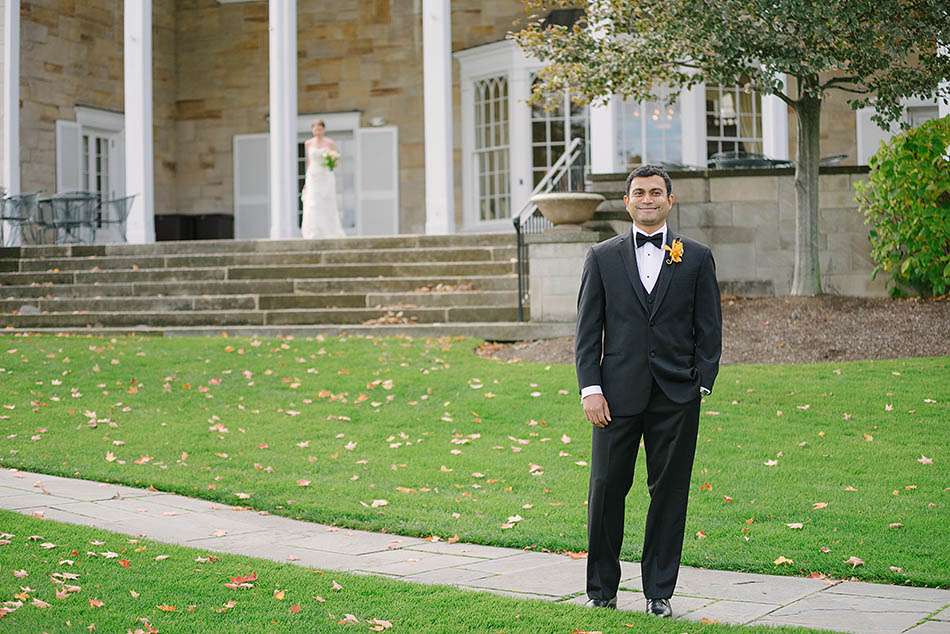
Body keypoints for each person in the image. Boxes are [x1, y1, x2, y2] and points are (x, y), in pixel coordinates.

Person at [574, 164, 722, 617]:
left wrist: (701, 384)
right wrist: (590, 389)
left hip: (676, 397)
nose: (648, 199)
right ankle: (601, 590)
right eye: (639, 192)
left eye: (656, 192)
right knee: (604, 489)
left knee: (670, 494)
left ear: (670, 201)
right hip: (614, 397)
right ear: (627, 201)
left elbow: (709, 328)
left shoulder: (695, 257)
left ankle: (659, 592)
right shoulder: (601, 257)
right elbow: (587, 331)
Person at [301, 119, 345, 239]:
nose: (318, 131)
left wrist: (331, 161)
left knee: (327, 201)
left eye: (320, 129)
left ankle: (329, 230)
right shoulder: (308, 143)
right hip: (313, 175)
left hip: (325, 175)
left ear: (324, 129)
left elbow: (336, 159)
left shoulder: (330, 143)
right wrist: (306, 180)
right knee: (313, 202)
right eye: (315, 129)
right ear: (312, 130)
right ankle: (314, 230)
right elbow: (308, 161)